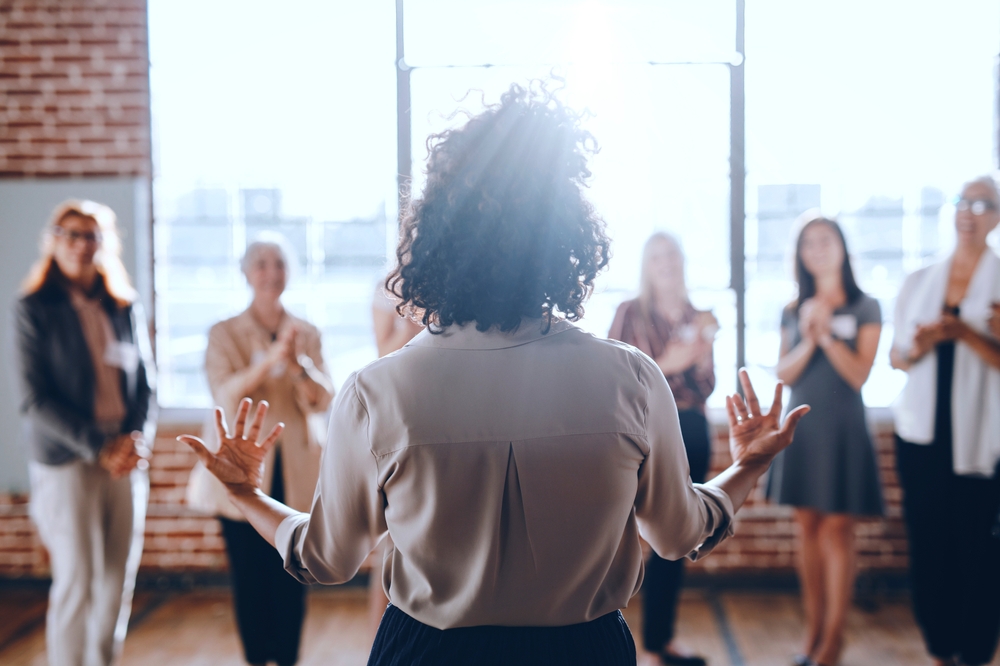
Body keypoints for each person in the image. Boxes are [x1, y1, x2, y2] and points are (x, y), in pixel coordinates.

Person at [179, 83, 809, 665]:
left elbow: (325, 559)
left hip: (428, 652)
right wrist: (750, 463)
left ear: (433, 240)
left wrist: (245, 494)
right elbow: (679, 534)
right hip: (584, 651)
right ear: (566, 238)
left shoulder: (377, 392)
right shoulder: (632, 380)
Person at [16, 200, 156, 666]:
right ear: (54, 242)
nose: (81, 244)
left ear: (104, 243)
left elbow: (146, 385)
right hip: (68, 460)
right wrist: (100, 448)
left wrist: (134, 440)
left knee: (117, 579)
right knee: (78, 579)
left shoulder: (123, 305)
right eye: (71, 234)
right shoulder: (34, 308)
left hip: (125, 458)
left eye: (91, 235)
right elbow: (35, 400)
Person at [200, 235, 334, 666]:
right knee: (249, 578)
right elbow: (224, 393)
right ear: (245, 273)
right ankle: (257, 659)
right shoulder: (223, 333)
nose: (271, 272)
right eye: (261, 263)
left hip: (294, 471)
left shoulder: (307, 333)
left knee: (293, 573)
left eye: (279, 263)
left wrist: (298, 366)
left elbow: (324, 399)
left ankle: (289, 658)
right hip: (240, 468)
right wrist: (268, 360)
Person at [890, 176, 1000, 666]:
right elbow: (897, 357)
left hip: (983, 440)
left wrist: (968, 335)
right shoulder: (919, 281)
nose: (969, 212)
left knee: (979, 551)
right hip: (923, 438)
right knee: (930, 546)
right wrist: (922, 345)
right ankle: (938, 648)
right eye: (962, 201)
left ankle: (974, 652)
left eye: (982, 204)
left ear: (996, 216)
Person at [768, 214, 884, 666]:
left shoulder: (866, 306)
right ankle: (812, 635)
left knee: (838, 529)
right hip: (804, 427)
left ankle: (834, 640)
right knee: (808, 528)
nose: (817, 249)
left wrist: (827, 335)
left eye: (825, 240)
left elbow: (858, 375)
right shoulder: (792, 309)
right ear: (800, 255)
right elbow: (784, 372)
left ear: (841, 247)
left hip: (844, 427)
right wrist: (810, 339)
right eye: (808, 243)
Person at [608, 232, 717, 666]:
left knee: (678, 537)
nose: (666, 263)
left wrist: (699, 357)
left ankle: (658, 642)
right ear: (646, 266)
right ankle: (609, 641)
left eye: (672, 255)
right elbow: (616, 378)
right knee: (618, 535)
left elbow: (706, 386)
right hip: (639, 430)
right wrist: (671, 363)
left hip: (690, 429)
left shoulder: (699, 316)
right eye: (656, 257)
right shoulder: (629, 313)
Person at [365, 281, 424, 636]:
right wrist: (410, 326)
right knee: (392, 537)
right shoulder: (388, 287)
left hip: (443, 397)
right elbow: (381, 355)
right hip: (400, 406)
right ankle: (381, 641)